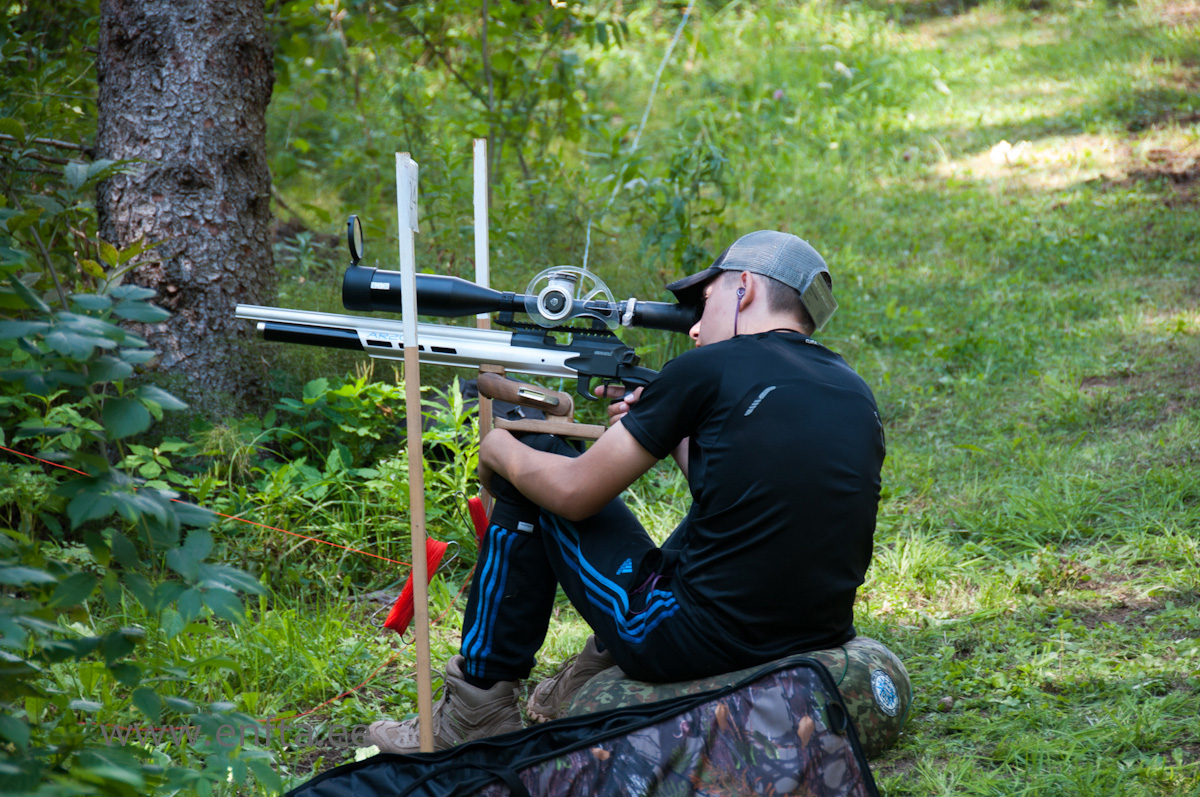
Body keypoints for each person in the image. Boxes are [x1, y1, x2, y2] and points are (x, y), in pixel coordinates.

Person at [366, 230, 904, 756]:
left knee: (536, 462)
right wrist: (671, 425)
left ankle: (473, 708)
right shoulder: (851, 387)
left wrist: (501, 448)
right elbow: (742, 491)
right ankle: (593, 667)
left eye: (706, 301)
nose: (694, 329)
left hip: (692, 641)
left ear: (745, 288)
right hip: (811, 632)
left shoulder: (706, 367)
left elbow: (575, 494)